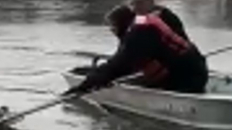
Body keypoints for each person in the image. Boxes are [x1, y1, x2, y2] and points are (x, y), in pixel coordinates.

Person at [65, 5, 208, 96]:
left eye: (112, 27)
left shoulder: (139, 33)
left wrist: (86, 85)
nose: (111, 31)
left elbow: (120, 64)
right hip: (194, 68)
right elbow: (124, 58)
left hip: (187, 78)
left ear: (121, 24)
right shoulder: (143, 22)